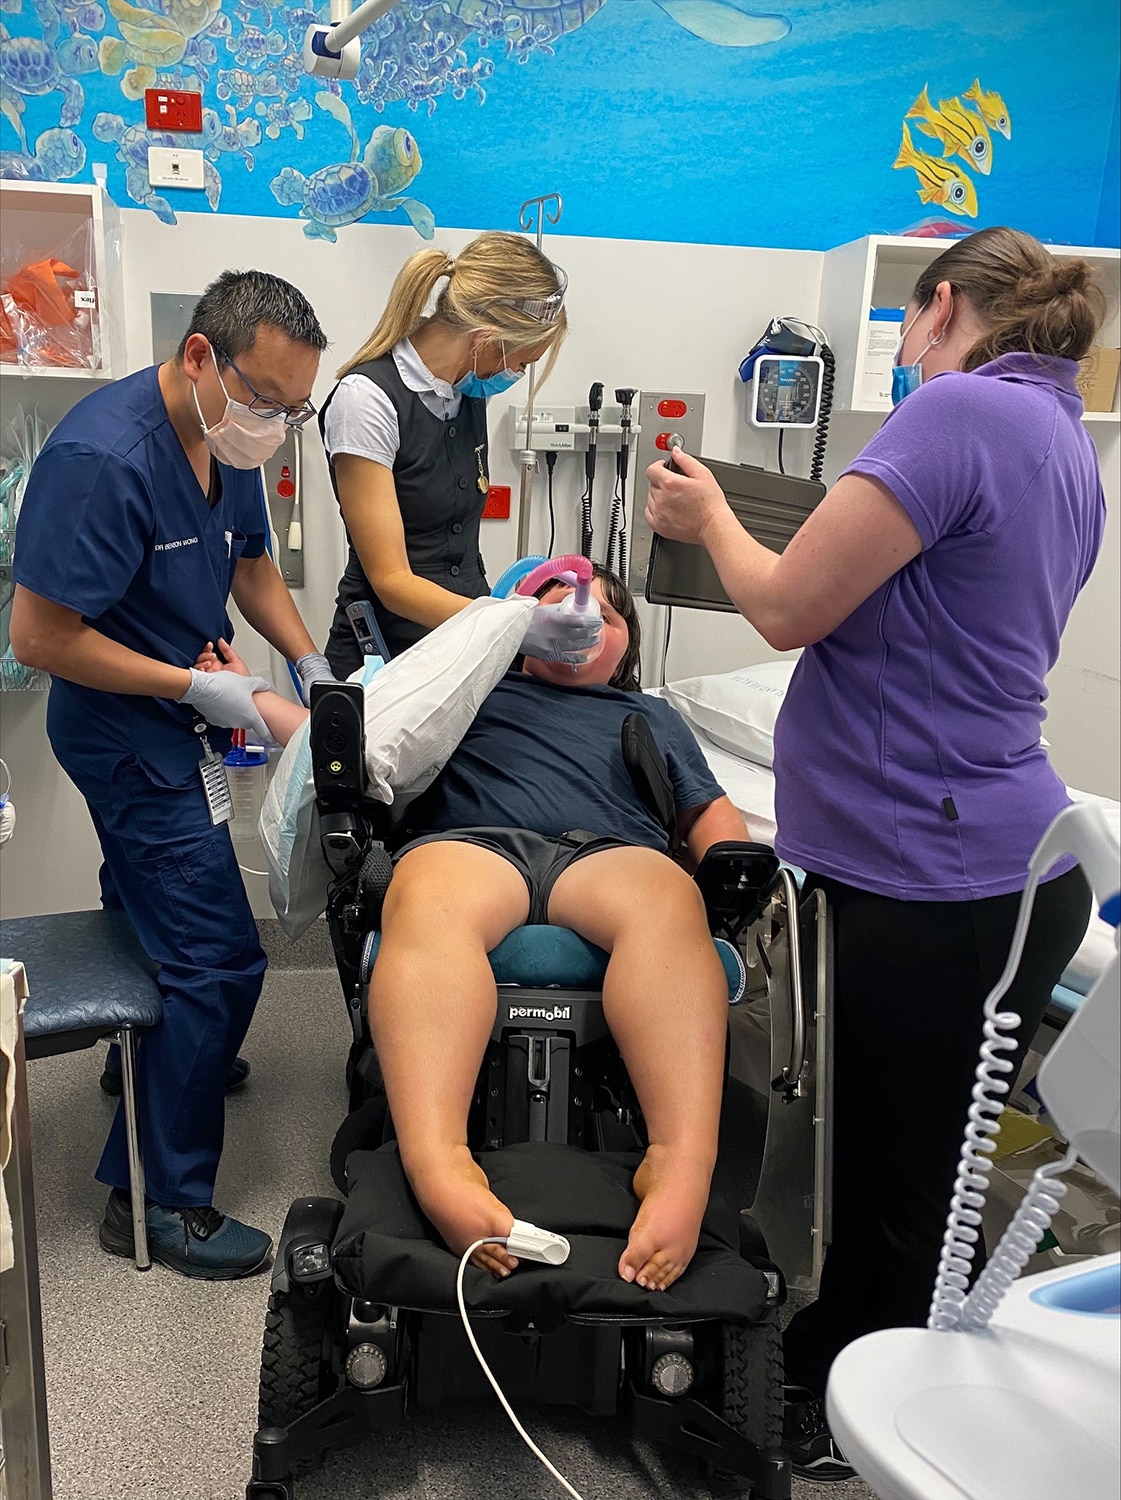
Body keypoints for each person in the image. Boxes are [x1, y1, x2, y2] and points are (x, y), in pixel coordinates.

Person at [644, 226, 1105, 1478]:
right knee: (925, 1159)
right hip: (1007, 863)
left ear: (938, 304)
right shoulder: (1058, 437)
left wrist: (708, 512)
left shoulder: (953, 413)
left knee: (899, 1173)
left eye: (908, 321)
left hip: (937, 881)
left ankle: (852, 1408)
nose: (903, 345)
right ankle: (873, 1347)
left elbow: (785, 606)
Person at [198, 566, 749, 1290]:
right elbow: (358, 739)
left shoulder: (648, 716)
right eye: (557, 604)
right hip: (472, 846)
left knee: (670, 904)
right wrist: (250, 695)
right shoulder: (465, 687)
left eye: (608, 617)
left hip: (609, 853)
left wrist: (738, 864)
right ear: (513, 631)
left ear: (627, 654)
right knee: (424, 899)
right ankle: (440, 1162)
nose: (584, 618)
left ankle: (679, 1163)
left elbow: (706, 812)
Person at [10, 269, 333, 1279]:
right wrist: (196, 690)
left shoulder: (225, 436)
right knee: (220, 958)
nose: (273, 424)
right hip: (122, 730)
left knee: (152, 906)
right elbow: (41, 637)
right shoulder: (102, 460)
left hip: (178, 711)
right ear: (201, 356)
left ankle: (152, 1063)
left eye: (292, 410)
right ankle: (155, 1203)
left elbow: (250, 565)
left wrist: (310, 667)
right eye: (265, 400)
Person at [319, 231, 599, 672]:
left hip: (462, 649)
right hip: (383, 660)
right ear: (487, 339)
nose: (517, 374)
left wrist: (506, 624)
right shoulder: (366, 401)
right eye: (521, 363)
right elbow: (392, 580)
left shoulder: (464, 392)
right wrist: (513, 625)